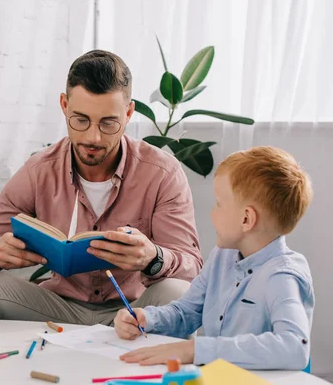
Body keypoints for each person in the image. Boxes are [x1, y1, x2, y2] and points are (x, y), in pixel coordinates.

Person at [0, 50, 203, 325]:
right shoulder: (39, 170)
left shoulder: (162, 173)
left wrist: (153, 257)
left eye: (108, 123)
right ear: (64, 105)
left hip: (133, 311)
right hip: (56, 309)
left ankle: (151, 364)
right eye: (81, 120)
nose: (93, 136)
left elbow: (192, 266)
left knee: (177, 291)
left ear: (129, 112)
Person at [114, 146, 314, 370]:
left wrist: (196, 350)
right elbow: (187, 312)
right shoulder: (223, 256)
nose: (212, 213)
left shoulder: (282, 275)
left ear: (246, 219)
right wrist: (146, 318)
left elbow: (294, 347)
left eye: (219, 204)